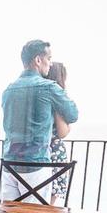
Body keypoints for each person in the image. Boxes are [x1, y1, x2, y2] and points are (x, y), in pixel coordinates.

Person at [0, 40, 78, 203]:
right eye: (49, 59)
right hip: (35, 166)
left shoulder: (8, 90)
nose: (50, 64)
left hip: (9, 164)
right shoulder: (49, 87)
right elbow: (72, 115)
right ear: (38, 60)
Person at [46, 62, 72, 204]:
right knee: (49, 200)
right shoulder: (57, 98)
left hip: (38, 149)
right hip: (53, 151)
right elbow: (62, 132)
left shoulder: (41, 97)